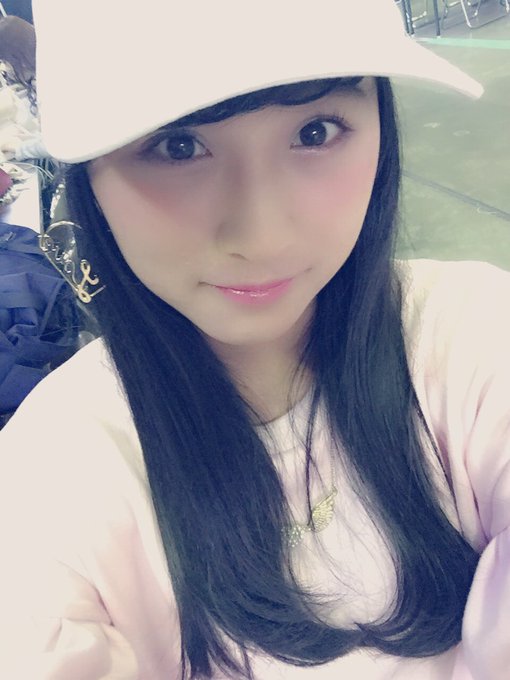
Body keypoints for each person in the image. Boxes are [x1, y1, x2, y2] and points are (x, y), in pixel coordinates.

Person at [0, 1, 508, 678]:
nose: (262, 236)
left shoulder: (473, 331)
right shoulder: (49, 479)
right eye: (179, 146)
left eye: (316, 131)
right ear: (87, 176)